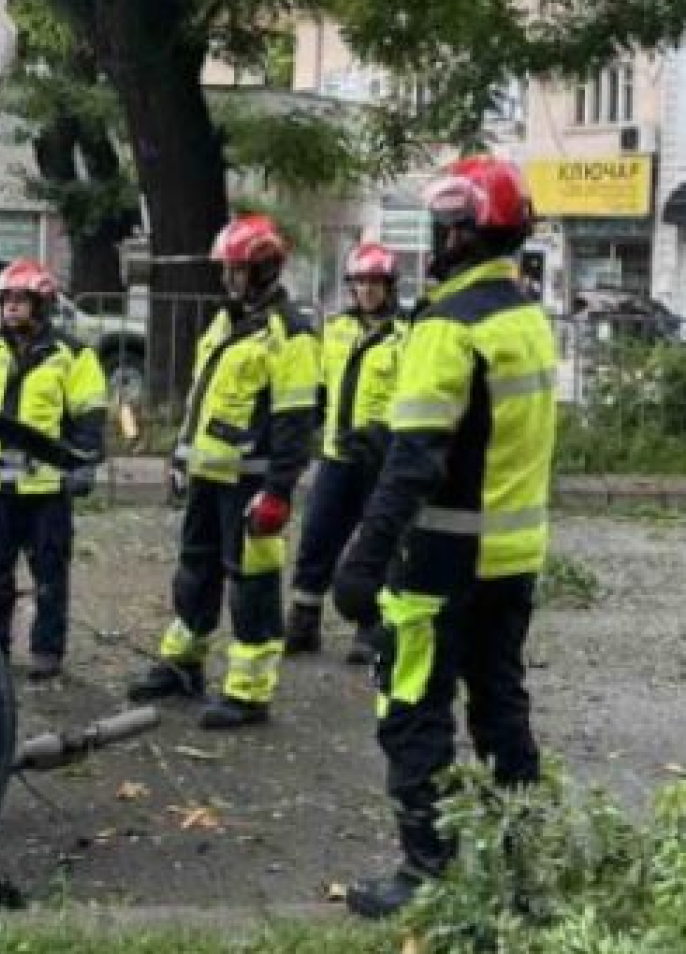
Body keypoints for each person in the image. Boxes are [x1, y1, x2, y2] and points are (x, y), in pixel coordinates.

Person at [330, 156, 559, 919]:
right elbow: (475, 432)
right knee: (500, 709)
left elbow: (423, 460)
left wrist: (363, 555)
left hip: (438, 559)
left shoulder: (445, 325)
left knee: (413, 708)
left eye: (440, 226)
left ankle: (427, 870)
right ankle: (524, 869)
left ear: (461, 232)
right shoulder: (522, 316)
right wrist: (382, 440)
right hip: (512, 556)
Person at [126, 213, 321, 730]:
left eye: (235, 270)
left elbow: (295, 421)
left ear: (262, 270)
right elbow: (200, 400)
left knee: (252, 584)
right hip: (210, 477)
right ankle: (183, 663)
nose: (227, 279)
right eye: (227, 270)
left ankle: (250, 692)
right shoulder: (225, 321)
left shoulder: (290, 334)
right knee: (195, 570)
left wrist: (279, 491)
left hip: (252, 483)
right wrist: (180, 456)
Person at [0, 259, 108, 681]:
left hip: (47, 486)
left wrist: (85, 463)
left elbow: (89, 415)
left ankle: (47, 650)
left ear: (42, 305)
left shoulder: (72, 356)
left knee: (50, 573)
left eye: (21, 300)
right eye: (7, 299)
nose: (12, 307)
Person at [286, 242, 406, 662]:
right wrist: (303, 432)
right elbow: (321, 389)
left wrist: (384, 435)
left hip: (381, 458)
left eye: (375, 282)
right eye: (360, 282)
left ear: (390, 286)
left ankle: (368, 626)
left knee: (376, 543)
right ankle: (304, 621)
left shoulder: (405, 336)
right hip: (337, 455)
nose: (368, 290)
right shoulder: (336, 330)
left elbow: (412, 399)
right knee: (317, 535)